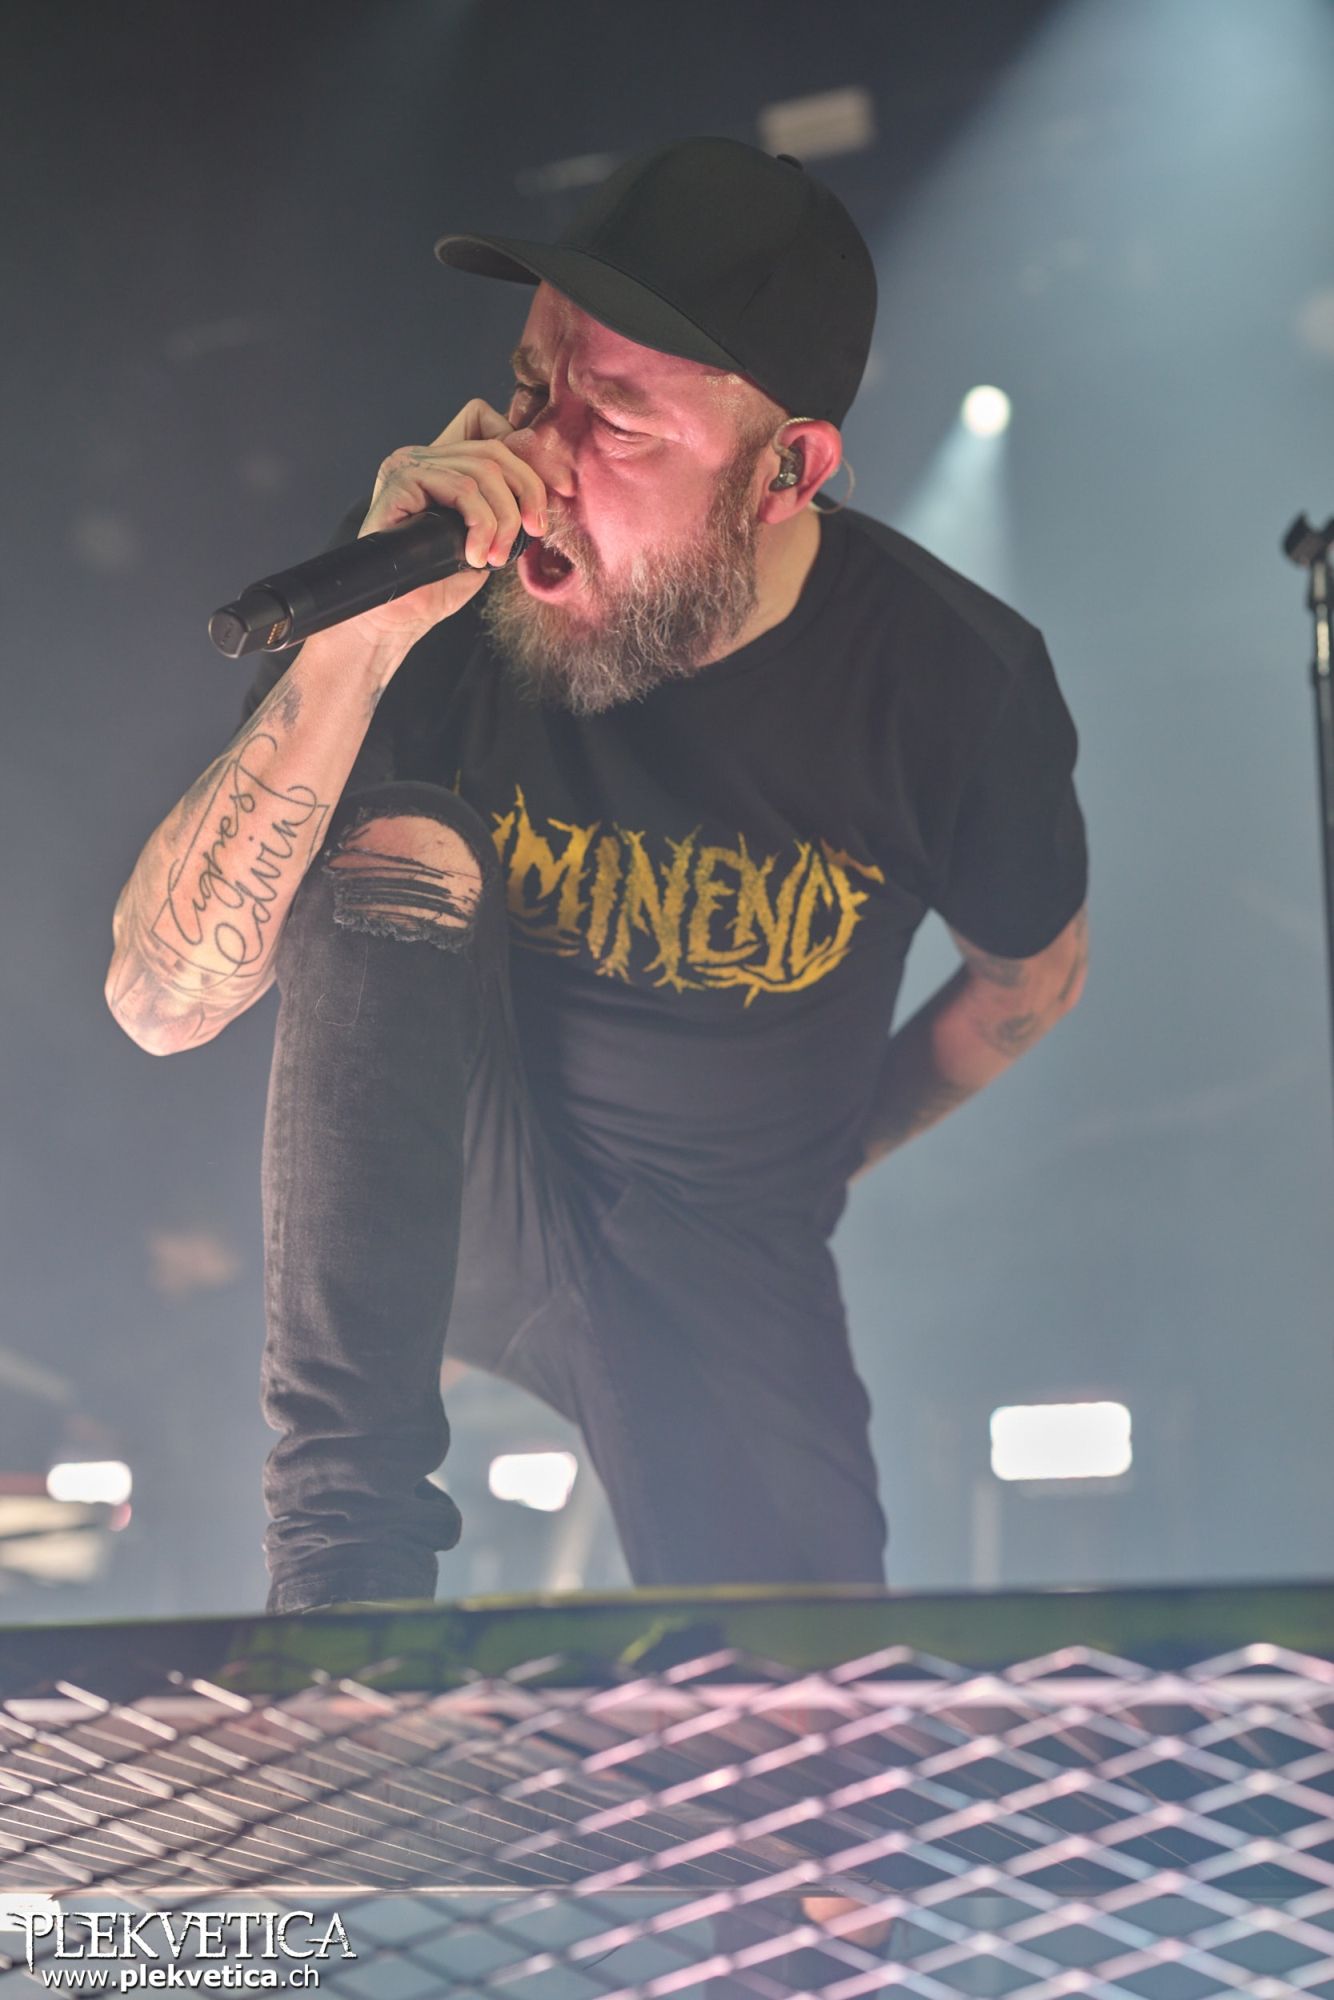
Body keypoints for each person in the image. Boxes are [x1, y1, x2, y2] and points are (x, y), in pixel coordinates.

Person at [105, 135, 1088, 1619]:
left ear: (786, 470)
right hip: (452, 1188)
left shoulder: (952, 680)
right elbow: (161, 1003)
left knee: (802, 1724)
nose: (542, 465)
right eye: (528, 392)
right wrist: (355, 648)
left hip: (718, 1245)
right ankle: (345, 1590)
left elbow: (1028, 986)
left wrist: (819, 1161)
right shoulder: (436, 592)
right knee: (406, 848)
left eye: (617, 425)